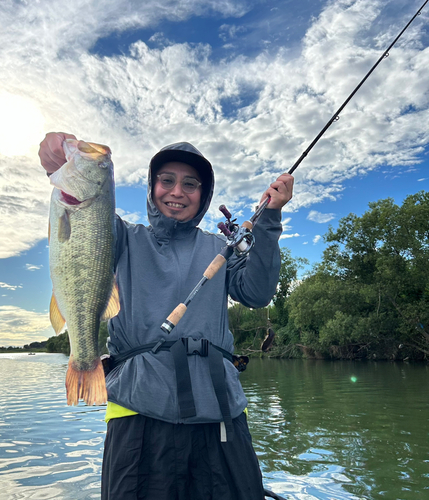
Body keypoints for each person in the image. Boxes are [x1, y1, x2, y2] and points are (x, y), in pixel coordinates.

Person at [39, 133, 293, 500]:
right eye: (167, 180)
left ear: (203, 196)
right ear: (151, 187)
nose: (177, 191)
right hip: (139, 416)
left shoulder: (219, 248)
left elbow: (257, 292)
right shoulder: (122, 237)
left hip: (219, 417)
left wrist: (269, 220)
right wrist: (56, 162)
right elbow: (83, 219)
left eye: (191, 184)